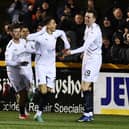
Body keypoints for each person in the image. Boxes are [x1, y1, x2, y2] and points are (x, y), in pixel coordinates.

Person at [27, 16, 70, 122]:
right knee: (44, 91)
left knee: (49, 91)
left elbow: (62, 33)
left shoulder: (56, 33)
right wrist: (41, 31)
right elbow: (28, 37)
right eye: (53, 23)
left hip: (51, 66)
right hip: (41, 65)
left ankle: (38, 114)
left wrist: (66, 44)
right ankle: (34, 91)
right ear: (48, 25)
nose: (55, 24)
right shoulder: (41, 36)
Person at [65, 10, 102, 122]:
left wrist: (70, 52)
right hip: (87, 58)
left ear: (94, 19)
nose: (86, 19)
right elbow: (87, 47)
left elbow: (85, 46)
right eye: (86, 17)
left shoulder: (94, 30)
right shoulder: (88, 27)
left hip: (93, 60)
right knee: (85, 86)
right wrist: (83, 54)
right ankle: (89, 113)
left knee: (85, 86)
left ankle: (87, 113)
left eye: (89, 17)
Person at [5, 23, 31, 119]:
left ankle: (10, 88)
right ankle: (21, 114)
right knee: (22, 92)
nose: (17, 33)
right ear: (11, 33)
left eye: (18, 31)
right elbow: (8, 62)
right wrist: (18, 63)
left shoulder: (24, 42)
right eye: (15, 32)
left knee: (28, 90)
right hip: (13, 72)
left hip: (23, 69)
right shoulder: (10, 46)